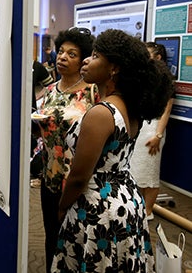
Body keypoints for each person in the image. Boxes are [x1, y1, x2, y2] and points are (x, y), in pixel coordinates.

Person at [51, 29, 174, 272]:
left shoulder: (101, 113)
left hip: (98, 208)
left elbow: (78, 178)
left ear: (114, 68)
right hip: (126, 199)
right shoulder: (129, 105)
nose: (87, 60)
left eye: (95, 56)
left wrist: (63, 206)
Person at [36, 27, 97, 272]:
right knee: (52, 234)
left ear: (84, 60)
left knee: (77, 237)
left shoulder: (93, 92)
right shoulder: (49, 92)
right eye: (61, 52)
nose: (62, 57)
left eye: (72, 54)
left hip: (79, 180)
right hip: (50, 177)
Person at [130, 42, 173, 220]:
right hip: (141, 127)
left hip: (154, 130)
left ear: (158, 57)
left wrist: (158, 135)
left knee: (150, 172)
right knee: (137, 170)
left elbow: (166, 110)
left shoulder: (166, 80)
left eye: (147, 54)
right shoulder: (143, 77)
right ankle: (139, 208)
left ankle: (147, 211)